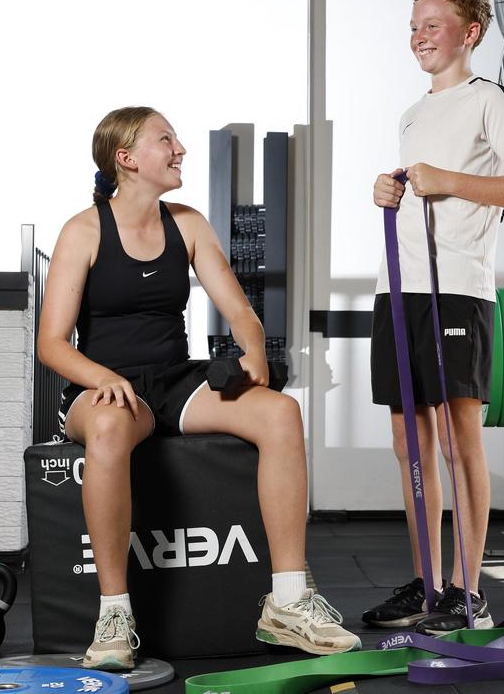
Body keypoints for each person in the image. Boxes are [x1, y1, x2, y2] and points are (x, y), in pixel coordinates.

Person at [38, 106, 360, 670]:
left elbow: (238, 308)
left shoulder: (185, 223)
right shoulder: (83, 231)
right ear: (127, 159)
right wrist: (104, 378)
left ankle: (287, 602)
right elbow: (53, 344)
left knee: (280, 412)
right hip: (103, 389)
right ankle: (114, 615)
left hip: (172, 382)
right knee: (112, 423)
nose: (179, 148)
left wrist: (254, 345)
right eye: (166, 140)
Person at [365, 0, 504, 634]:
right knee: (407, 442)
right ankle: (427, 584)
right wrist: (388, 193)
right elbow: (420, 195)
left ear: (469, 33)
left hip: (457, 292)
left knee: (455, 438)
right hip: (400, 290)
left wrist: (449, 182)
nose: (418, 34)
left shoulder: (487, 100)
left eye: (433, 23)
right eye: (413, 24)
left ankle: (467, 592)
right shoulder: (412, 114)